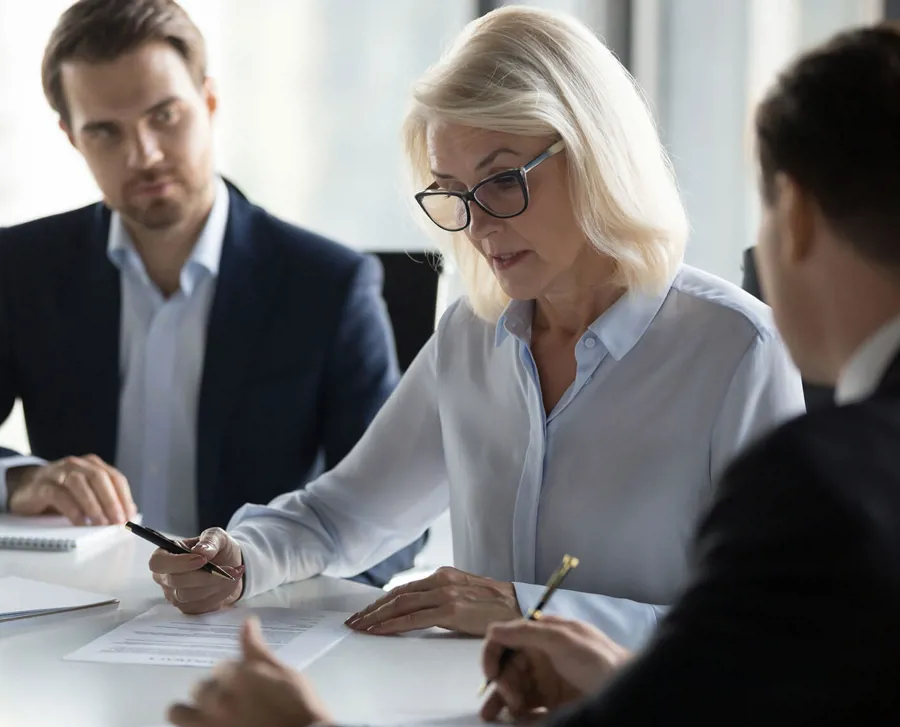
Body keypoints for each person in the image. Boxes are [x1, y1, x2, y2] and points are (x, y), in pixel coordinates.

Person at [165, 19, 900, 727]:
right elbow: (343, 514)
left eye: (503, 181)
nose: (480, 226)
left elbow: (760, 642)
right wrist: (242, 555)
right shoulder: (470, 335)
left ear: (595, 154)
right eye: (454, 193)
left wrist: (532, 609)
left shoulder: (735, 347)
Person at [0, 0, 425, 588]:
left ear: (210, 101)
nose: (143, 154)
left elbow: (394, 523)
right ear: (71, 138)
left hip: (258, 622)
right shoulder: (19, 269)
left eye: (165, 116)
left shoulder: (327, 285)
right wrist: (19, 481)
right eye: (105, 131)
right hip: (75, 614)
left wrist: (275, 580)